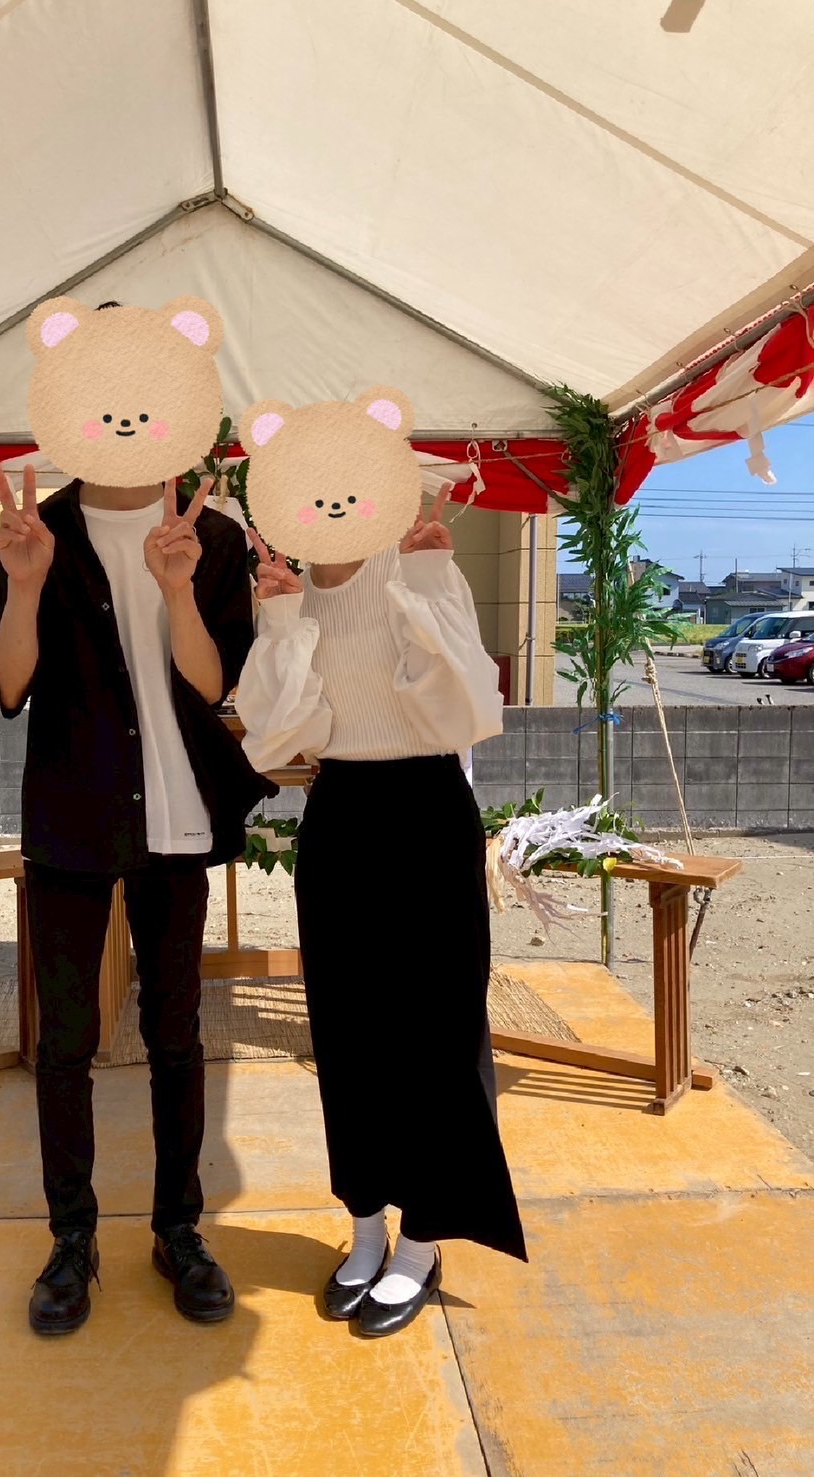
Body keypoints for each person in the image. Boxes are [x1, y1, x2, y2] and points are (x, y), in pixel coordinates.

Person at [0, 445, 273, 1334]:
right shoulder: (36, 531)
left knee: (175, 1033)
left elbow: (216, 682)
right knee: (65, 1040)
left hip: (176, 817)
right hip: (71, 814)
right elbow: (9, 685)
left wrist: (178, 590)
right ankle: (72, 1239)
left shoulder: (212, 537)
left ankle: (178, 1229)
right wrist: (25, 584)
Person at [234, 489, 527, 1340]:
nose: (329, 502)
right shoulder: (290, 590)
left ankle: (423, 1240)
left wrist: (428, 577)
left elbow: (470, 705)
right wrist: (280, 618)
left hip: (429, 807)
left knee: (437, 1032)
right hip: (342, 813)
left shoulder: (416, 564)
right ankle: (365, 1226)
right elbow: (277, 735)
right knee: (347, 1031)